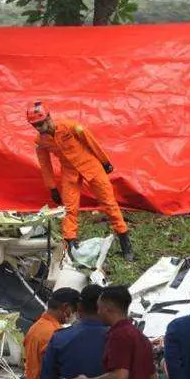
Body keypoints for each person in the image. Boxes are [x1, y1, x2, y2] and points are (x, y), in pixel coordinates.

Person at [27, 101, 134, 262]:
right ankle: (70, 245)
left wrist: (104, 161)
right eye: (35, 125)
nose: (40, 128)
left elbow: (90, 141)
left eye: (41, 123)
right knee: (70, 208)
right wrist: (52, 187)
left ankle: (125, 242)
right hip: (69, 174)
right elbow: (45, 165)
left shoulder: (71, 127)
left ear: (49, 117)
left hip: (91, 167)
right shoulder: (41, 142)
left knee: (109, 204)